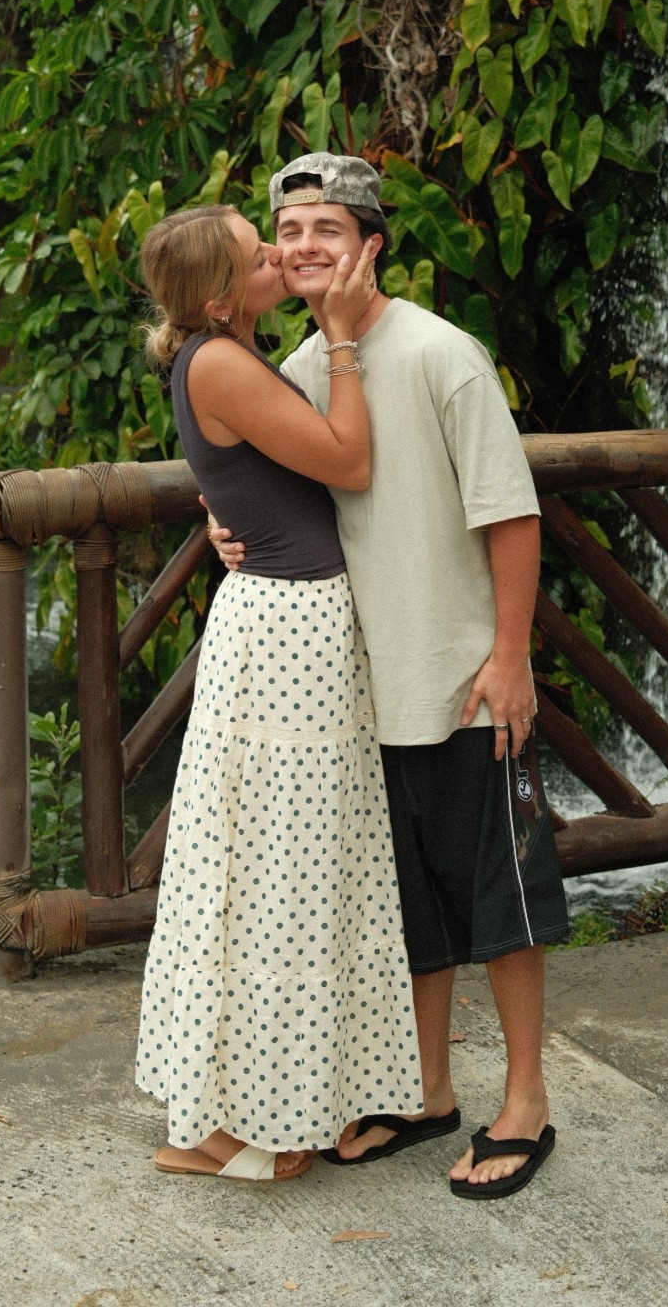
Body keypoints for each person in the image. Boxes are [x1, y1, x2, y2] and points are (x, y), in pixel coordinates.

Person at [209, 152, 570, 1200]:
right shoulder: (298, 367)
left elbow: (510, 510)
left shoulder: (441, 352)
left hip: (460, 679)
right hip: (351, 693)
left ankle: (527, 1101)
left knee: (503, 901)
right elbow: (261, 482)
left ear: (371, 246)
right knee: (408, 908)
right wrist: (222, 526)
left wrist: (509, 657)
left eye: (327, 227)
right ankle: (426, 1091)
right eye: (289, 230)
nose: (304, 245)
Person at [134, 202, 422, 1183]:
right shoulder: (219, 361)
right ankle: (256, 1125)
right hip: (289, 629)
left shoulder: (228, 351)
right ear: (222, 297)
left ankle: (261, 1109)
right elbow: (348, 459)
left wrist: (226, 512)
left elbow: (252, 476)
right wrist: (341, 338)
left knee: (277, 865)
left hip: (283, 619)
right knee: (280, 871)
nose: (280, 255)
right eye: (260, 255)